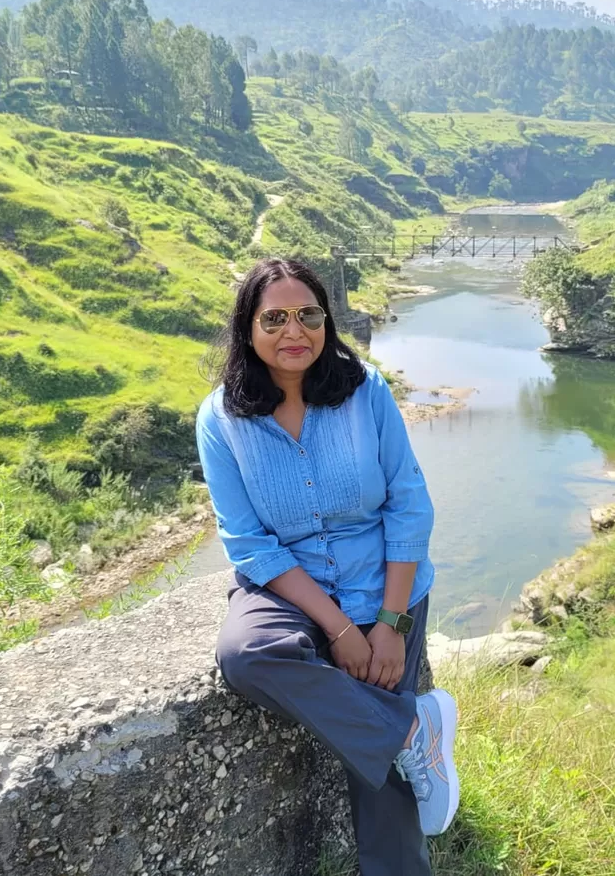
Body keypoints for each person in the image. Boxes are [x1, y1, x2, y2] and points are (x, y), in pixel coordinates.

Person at [196, 257, 459, 875]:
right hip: (290, 584)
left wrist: (389, 623)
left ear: (327, 322)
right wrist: (339, 629)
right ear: (248, 329)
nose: (296, 331)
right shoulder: (221, 419)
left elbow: (408, 504)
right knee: (247, 654)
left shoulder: (365, 390)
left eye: (309, 315)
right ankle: (410, 731)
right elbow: (249, 543)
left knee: (369, 752)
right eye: (275, 318)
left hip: (383, 580)